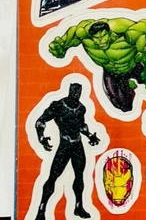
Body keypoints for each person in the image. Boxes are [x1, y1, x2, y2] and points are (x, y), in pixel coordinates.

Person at [34, 82, 99, 220]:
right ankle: (41, 210)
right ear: (69, 91)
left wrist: (90, 136)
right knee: (53, 177)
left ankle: (78, 207)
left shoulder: (81, 108)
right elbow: (41, 121)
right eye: (74, 92)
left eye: (78, 92)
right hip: (64, 145)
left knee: (79, 176)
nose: (76, 95)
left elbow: (81, 126)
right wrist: (41, 137)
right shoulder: (58, 106)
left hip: (77, 145)